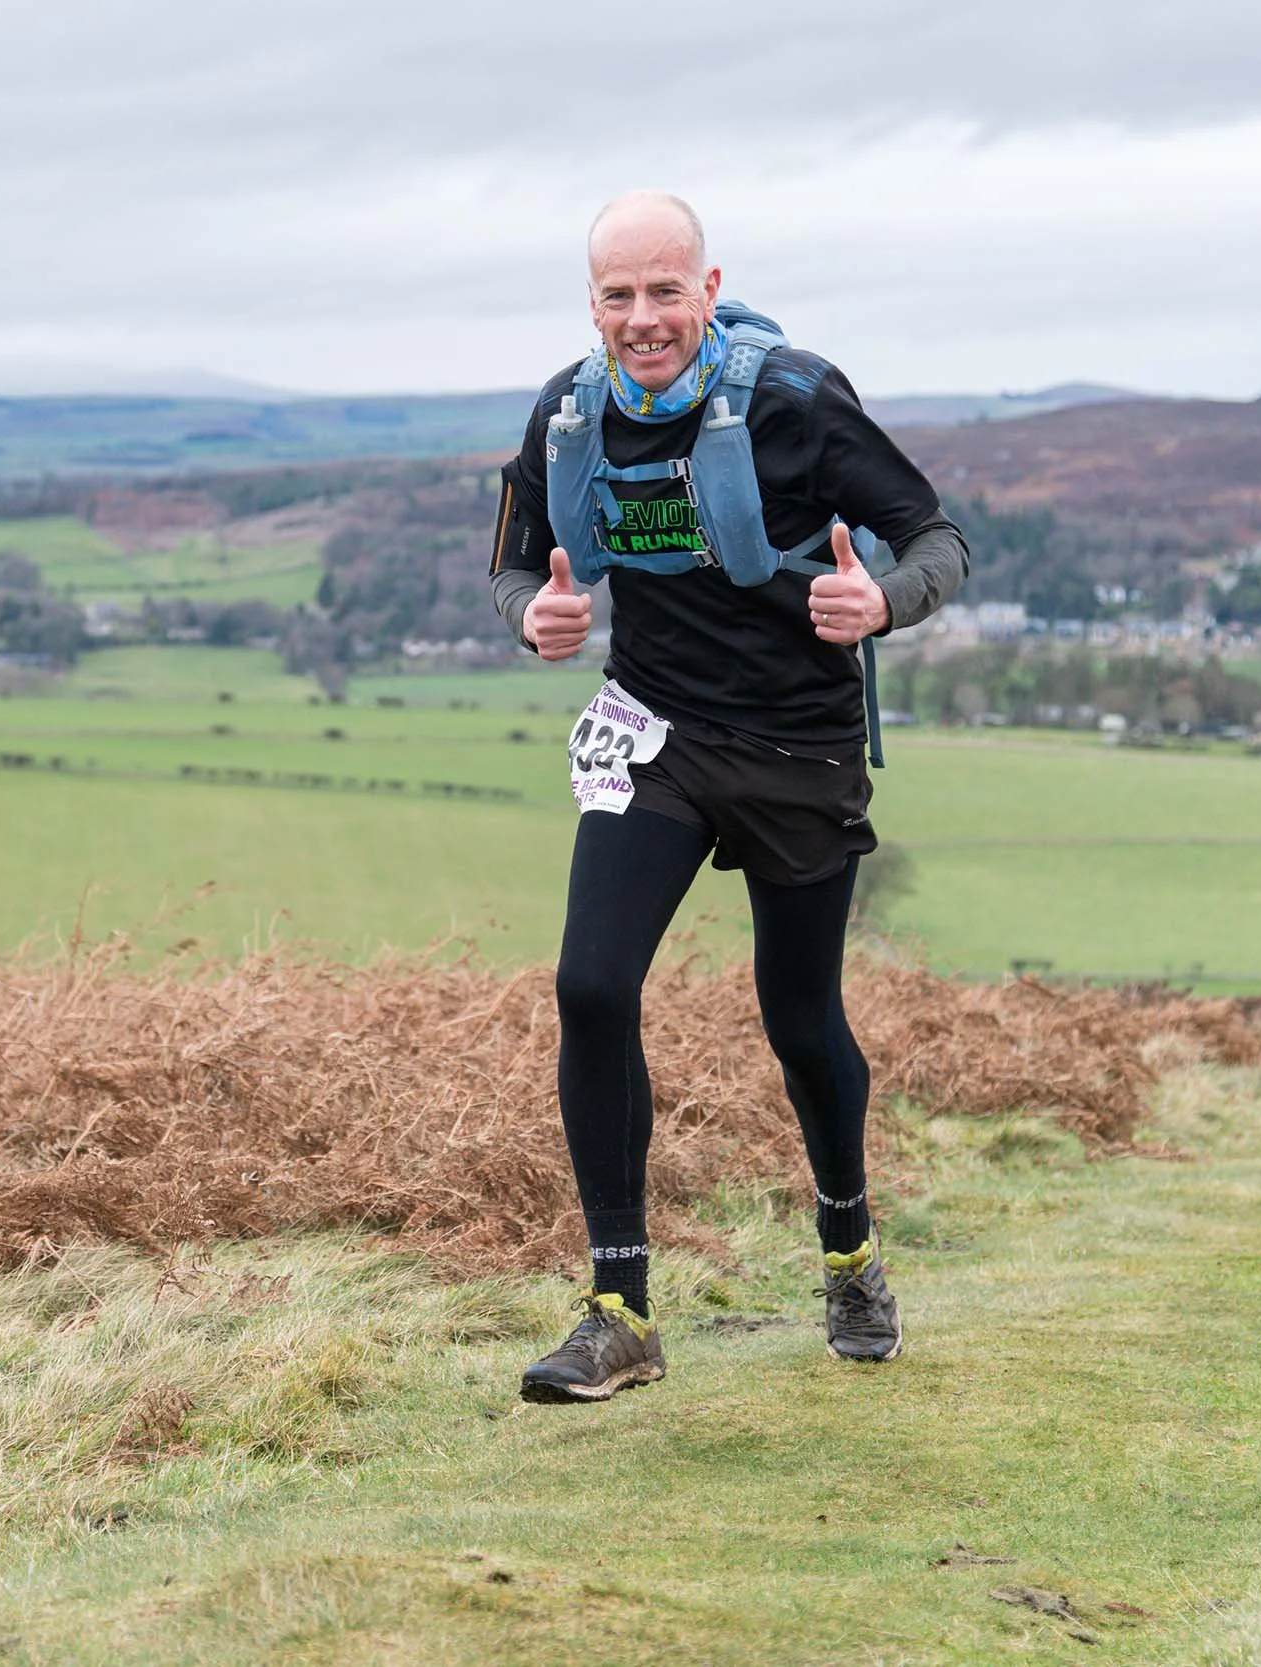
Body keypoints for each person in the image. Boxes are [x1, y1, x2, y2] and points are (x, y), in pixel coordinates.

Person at [489, 191, 969, 1403]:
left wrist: (882, 603)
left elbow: (937, 537)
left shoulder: (796, 400)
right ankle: (618, 1309)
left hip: (798, 744)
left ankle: (849, 1251)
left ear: (708, 289)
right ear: (590, 303)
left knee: (799, 1019)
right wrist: (531, 615)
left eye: (664, 291)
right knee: (590, 983)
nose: (642, 319)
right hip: (655, 729)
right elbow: (511, 561)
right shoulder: (568, 413)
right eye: (616, 295)